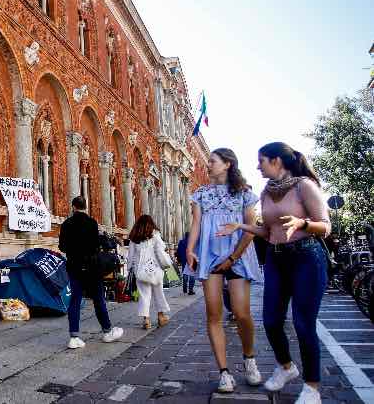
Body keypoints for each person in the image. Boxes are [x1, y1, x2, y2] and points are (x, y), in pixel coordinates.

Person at [217, 142, 331, 404]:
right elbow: (268, 232)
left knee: (303, 325)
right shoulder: (267, 192)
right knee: (270, 321)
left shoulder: (304, 186)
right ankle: (287, 367)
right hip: (276, 259)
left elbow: (326, 227)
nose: (258, 166)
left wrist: (302, 223)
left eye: (262, 161)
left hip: (306, 257)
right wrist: (242, 226)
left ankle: (312, 388)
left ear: (277, 161)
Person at [186, 148, 263, 393]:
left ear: (227, 164)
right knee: (213, 314)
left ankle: (249, 358)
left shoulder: (244, 194)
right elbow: (196, 224)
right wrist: (190, 249)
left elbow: (251, 228)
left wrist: (233, 257)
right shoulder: (200, 194)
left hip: (237, 255)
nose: (208, 165)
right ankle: (224, 372)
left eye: (212, 161)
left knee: (242, 313)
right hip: (209, 255)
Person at [59, 196, 123, 349]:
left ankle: (74, 337)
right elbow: (96, 245)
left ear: (73, 207)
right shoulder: (92, 223)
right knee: (98, 299)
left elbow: (62, 247)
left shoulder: (67, 224)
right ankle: (107, 331)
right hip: (92, 268)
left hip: (74, 267)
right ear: (85, 207)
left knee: (75, 301)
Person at [127, 215, 171, 329]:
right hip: (155, 269)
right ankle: (161, 316)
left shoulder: (134, 237)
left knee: (144, 295)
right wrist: (165, 263)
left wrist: (129, 269)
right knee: (159, 294)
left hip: (140, 271)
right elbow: (160, 251)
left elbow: (130, 256)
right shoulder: (155, 235)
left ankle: (146, 319)